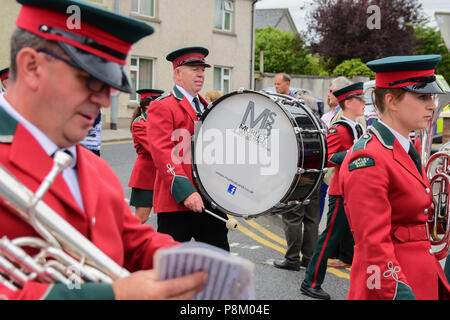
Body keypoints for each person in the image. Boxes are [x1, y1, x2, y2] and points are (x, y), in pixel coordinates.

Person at [0, 0, 208, 300]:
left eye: (109, 87)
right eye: (89, 81)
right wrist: (111, 295)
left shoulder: (93, 167)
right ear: (32, 67)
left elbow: (132, 242)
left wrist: (185, 263)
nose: (103, 101)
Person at [340, 55, 450, 300]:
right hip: (393, 286)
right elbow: (372, 247)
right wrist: (399, 294)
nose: (432, 105)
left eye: (431, 97)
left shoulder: (402, 148)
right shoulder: (369, 157)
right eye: (422, 97)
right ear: (391, 101)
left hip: (421, 274)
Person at [147, 46, 230, 251]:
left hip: (210, 198)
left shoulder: (207, 107)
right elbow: (162, 151)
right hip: (177, 201)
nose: (201, 74)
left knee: (219, 262)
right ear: (178, 73)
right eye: (194, 68)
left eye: (202, 69)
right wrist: (186, 192)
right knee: (170, 267)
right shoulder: (163, 105)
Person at [301, 82, 366, 300]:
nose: (364, 103)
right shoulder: (339, 128)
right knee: (328, 239)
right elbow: (326, 157)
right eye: (360, 99)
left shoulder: (357, 126)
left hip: (355, 190)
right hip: (342, 191)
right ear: (348, 103)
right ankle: (310, 282)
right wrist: (352, 154)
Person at [273, 94, 322, 272]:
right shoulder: (320, 123)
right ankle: (309, 258)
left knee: (292, 217)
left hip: (297, 177)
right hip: (316, 176)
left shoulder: (294, 124)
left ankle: (292, 259)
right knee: (311, 219)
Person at [128, 89, 164, 224]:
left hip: (161, 173)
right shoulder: (139, 123)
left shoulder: (159, 120)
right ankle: (119, 240)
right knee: (141, 217)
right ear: (147, 106)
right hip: (146, 176)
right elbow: (154, 147)